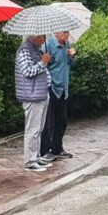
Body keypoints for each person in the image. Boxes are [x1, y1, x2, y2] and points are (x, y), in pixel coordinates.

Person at [15, 34, 53, 171]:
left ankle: (36, 156)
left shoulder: (38, 49)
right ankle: (30, 161)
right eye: (42, 35)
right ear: (33, 36)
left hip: (42, 93)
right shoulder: (25, 50)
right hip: (32, 95)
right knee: (33, 129)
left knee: (39, 128)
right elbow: (28, 71)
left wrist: (44, 61)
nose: (45, 37)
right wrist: (43, 62)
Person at [41, 31, 75, 160]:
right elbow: (43, 66)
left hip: (63, 89)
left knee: (62, 120)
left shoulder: (67, 45)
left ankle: (57, 148)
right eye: (64, 32)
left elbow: (69, 65)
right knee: (48, 122)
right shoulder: (48, 45)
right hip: (52, 87)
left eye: (67, 32)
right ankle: (45, 150)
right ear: (56, 32)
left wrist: (72, 57)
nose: (66, 35)